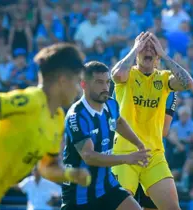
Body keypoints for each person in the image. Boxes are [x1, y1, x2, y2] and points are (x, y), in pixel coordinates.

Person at [0, 43, 91, 210]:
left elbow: (47, 167)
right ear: (63, 80)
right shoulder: (32, 100)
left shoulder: (57, 118)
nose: (79, 90)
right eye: (78, 82)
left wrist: (72, 174)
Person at [111, 31, 193, 210]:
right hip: (125, 154)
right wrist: (134, 49)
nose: (148, 50)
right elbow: (116, 75)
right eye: (144, 48)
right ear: (137, 54)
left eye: (152, 48)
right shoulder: (128, 76)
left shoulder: (164, 79)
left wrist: (164, 54)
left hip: (153, 154)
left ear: (157, 57)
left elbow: (188, 83)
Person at [62, 61, 150, 210]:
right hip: (80, 196)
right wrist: (127, 158)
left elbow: (119, 122)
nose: (105, 87)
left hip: (108, 187)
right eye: (99, 82)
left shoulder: (111, 104)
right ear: (84, 84)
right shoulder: (76, 116)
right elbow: (89, 156)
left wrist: (139, 144)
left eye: (108, 82)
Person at [134, 91, 177, 209]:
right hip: (126, 156)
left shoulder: (169, 90)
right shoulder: (126, 79)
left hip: (151, 156)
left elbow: (163, 131)